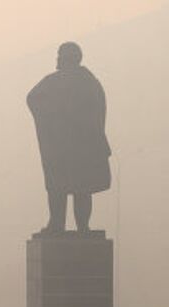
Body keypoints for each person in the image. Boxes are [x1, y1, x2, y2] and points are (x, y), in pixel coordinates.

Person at [27, 42, 112, 233]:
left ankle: (61, 224)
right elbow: (100, 112)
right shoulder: (89, 82)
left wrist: (53, 119)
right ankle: (79, 226)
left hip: (64, 149)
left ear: (67, 58)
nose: (57, 59)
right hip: (81, 148)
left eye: (60, 55)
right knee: (79, 189)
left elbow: (33, 98)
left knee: (64, 188)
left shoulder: (55, 82)